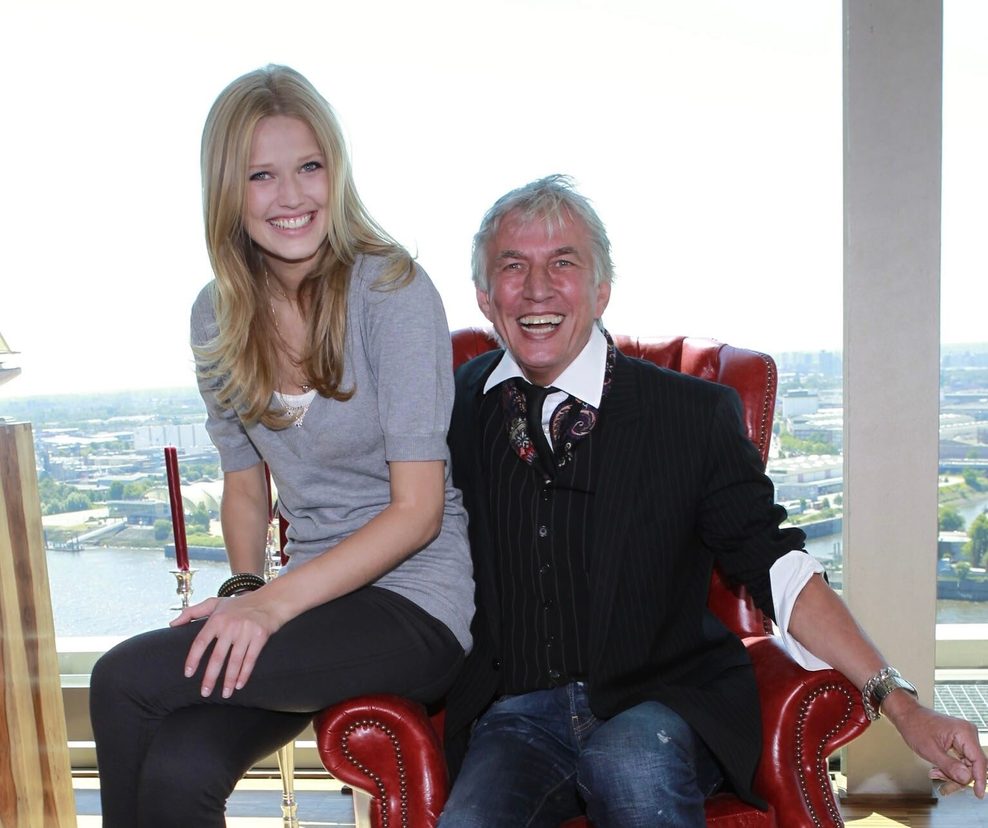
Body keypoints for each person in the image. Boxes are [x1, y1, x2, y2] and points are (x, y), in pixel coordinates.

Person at [437, 174, 986, 827]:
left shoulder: (690, 416)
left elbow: (776, 566)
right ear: (484, 296)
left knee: (631, 762)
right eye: (512, 266)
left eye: (563, 262)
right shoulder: (454, 406)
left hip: (662, 702)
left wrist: (900, 703)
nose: (536, 287)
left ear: (601, 289)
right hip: (516, 715)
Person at [89, 65, 474, 828]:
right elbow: (244, 485)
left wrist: (268, 611)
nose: (291, 196)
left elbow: (418, 511)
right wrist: (242, 594)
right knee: (179, 769)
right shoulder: (215, 316)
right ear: (228, 191)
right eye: (262, 175)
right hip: (304, 603)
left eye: (309, 168)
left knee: (120, 680)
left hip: (414, 607)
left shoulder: (391, 290)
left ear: (336, 171)